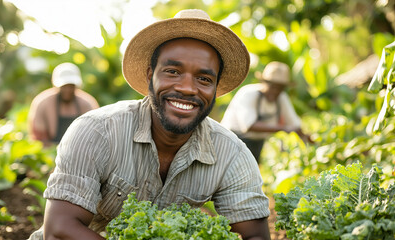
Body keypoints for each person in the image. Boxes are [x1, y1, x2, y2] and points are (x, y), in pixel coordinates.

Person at [28, 9, 270, 240]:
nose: (187, 87)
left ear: (215, 88)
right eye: (173, 71)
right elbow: (59, 230)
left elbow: (256, 234)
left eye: (204, 79)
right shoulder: (97, 131)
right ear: (149, 76)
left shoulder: (232, 154)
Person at [221, 61, 310, 163]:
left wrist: (309, 140)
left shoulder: (281, 98)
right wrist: (284, 128)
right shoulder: (249, 94)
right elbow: (249, 126)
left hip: (257, 143)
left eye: (280, 88)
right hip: (231, 142)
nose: (275, 92)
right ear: (264, 83)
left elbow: (294, 124)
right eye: (273, 87)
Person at [28, 62, 99, 147]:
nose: (67, 90)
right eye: (64, 86)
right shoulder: (42, 103)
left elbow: (94, 136)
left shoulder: (88, 104)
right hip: (50, 152)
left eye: (71, 86)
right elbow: (37, 138)